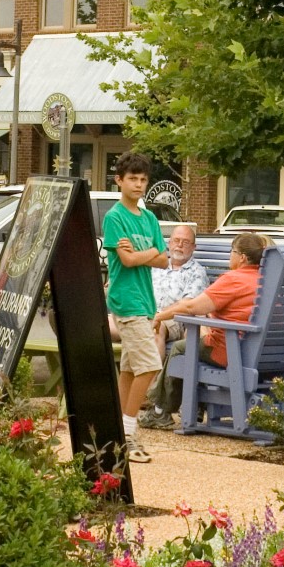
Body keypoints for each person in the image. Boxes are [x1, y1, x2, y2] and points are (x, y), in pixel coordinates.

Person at [151, 232, 266, 425]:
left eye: (233, 251)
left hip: (229, 351)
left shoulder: (234, 279)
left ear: (243, 258)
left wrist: (161, 316)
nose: (231, 255)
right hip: (261, 354)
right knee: (196, 345)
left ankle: (159, 412)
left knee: (181, 349)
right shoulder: (265, 280)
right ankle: (195, 406)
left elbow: (191, 306)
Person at [104, 152, 168, 463]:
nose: (139, 184)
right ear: (119, 180)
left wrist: (144, 252)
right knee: (151, 365)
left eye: (143, 179)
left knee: (130, 369)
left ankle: (115, 430)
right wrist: (151, 251)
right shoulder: (115, 217)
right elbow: (127, 261)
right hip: (126, 301)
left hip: (146, 301)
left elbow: (165, 258)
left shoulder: (150, 218)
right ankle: (128, 435)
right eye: (133, 178)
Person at [142, 222, 210, 426]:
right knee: (115, 322)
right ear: (169, 243)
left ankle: (152, 395)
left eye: (186, 242)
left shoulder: (196, 272)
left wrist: (160, 316)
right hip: (145, 314)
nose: (180, 246)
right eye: (176, 241)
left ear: (193, 247)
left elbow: (187, 305)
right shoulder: (157, 266)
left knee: (157, 329)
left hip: (175, 319)